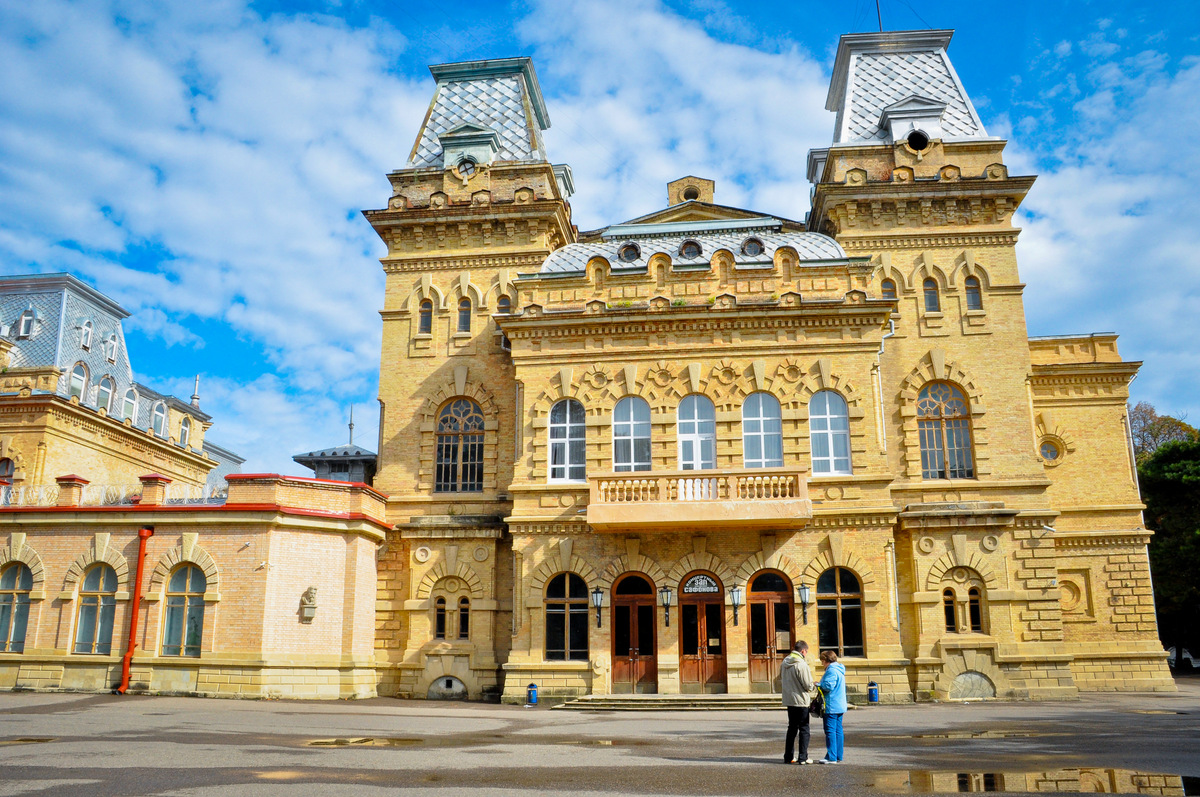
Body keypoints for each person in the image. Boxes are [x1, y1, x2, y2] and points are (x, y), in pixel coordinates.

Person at [780, 640, 815, 764]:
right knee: (804, 728)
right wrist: (813, 686)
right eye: (806, 652)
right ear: (803, 651)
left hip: (789, 700)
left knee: (792, 728)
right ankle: (803, 757)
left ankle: (788, 756)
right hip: (801, 700)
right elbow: (807, 685)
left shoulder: (785, 662)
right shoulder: (801, 664)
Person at [817, 649, 846, 764]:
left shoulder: (831, 671)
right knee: (838, 730)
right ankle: (838, 755)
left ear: (826, 660)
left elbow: (828, 686)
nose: (822, 664)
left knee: (830, 731)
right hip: (840, 705)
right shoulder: (839, 669)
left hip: (832, 705)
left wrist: (818, 684)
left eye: (822, 661)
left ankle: (831, 757)